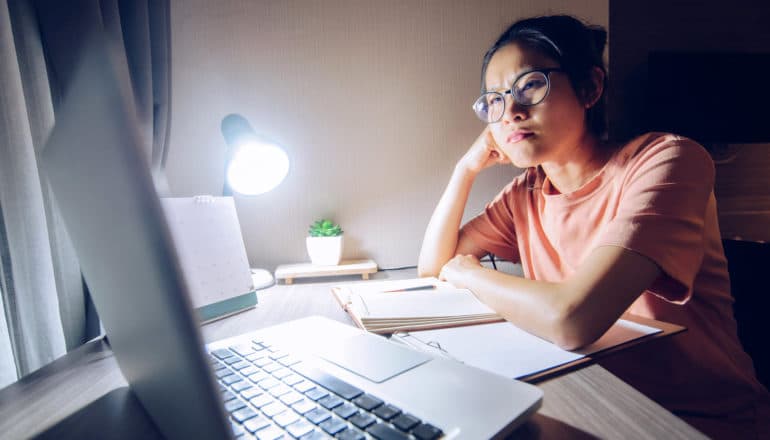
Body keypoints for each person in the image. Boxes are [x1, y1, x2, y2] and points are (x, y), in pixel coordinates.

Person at [417, 14, 770, 439]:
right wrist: (465, 168)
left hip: (700, 421)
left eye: (530, 84)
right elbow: (431, 266)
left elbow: (573, 319)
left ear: (589, 88)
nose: (510, 111)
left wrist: (467, 272)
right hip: (591, 400)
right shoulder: (524, 194)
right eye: (493, 100)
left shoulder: (667, 161)